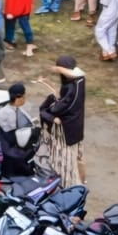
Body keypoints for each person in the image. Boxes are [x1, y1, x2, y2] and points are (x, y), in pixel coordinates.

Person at [39, 56, 86, 186]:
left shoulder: (72, 87)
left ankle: (72, 187)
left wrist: (50, 111)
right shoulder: (80, 81)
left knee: (67, 165)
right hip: (77, 129)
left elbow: (60, 107)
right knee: (79, 158)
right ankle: (83, 181)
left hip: (66, 133)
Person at [0, 82, 37, 175]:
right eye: (24, 96)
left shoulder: (16, 109)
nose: (25, 99)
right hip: (11, 148)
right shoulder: (7, 113)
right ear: (19, 98)